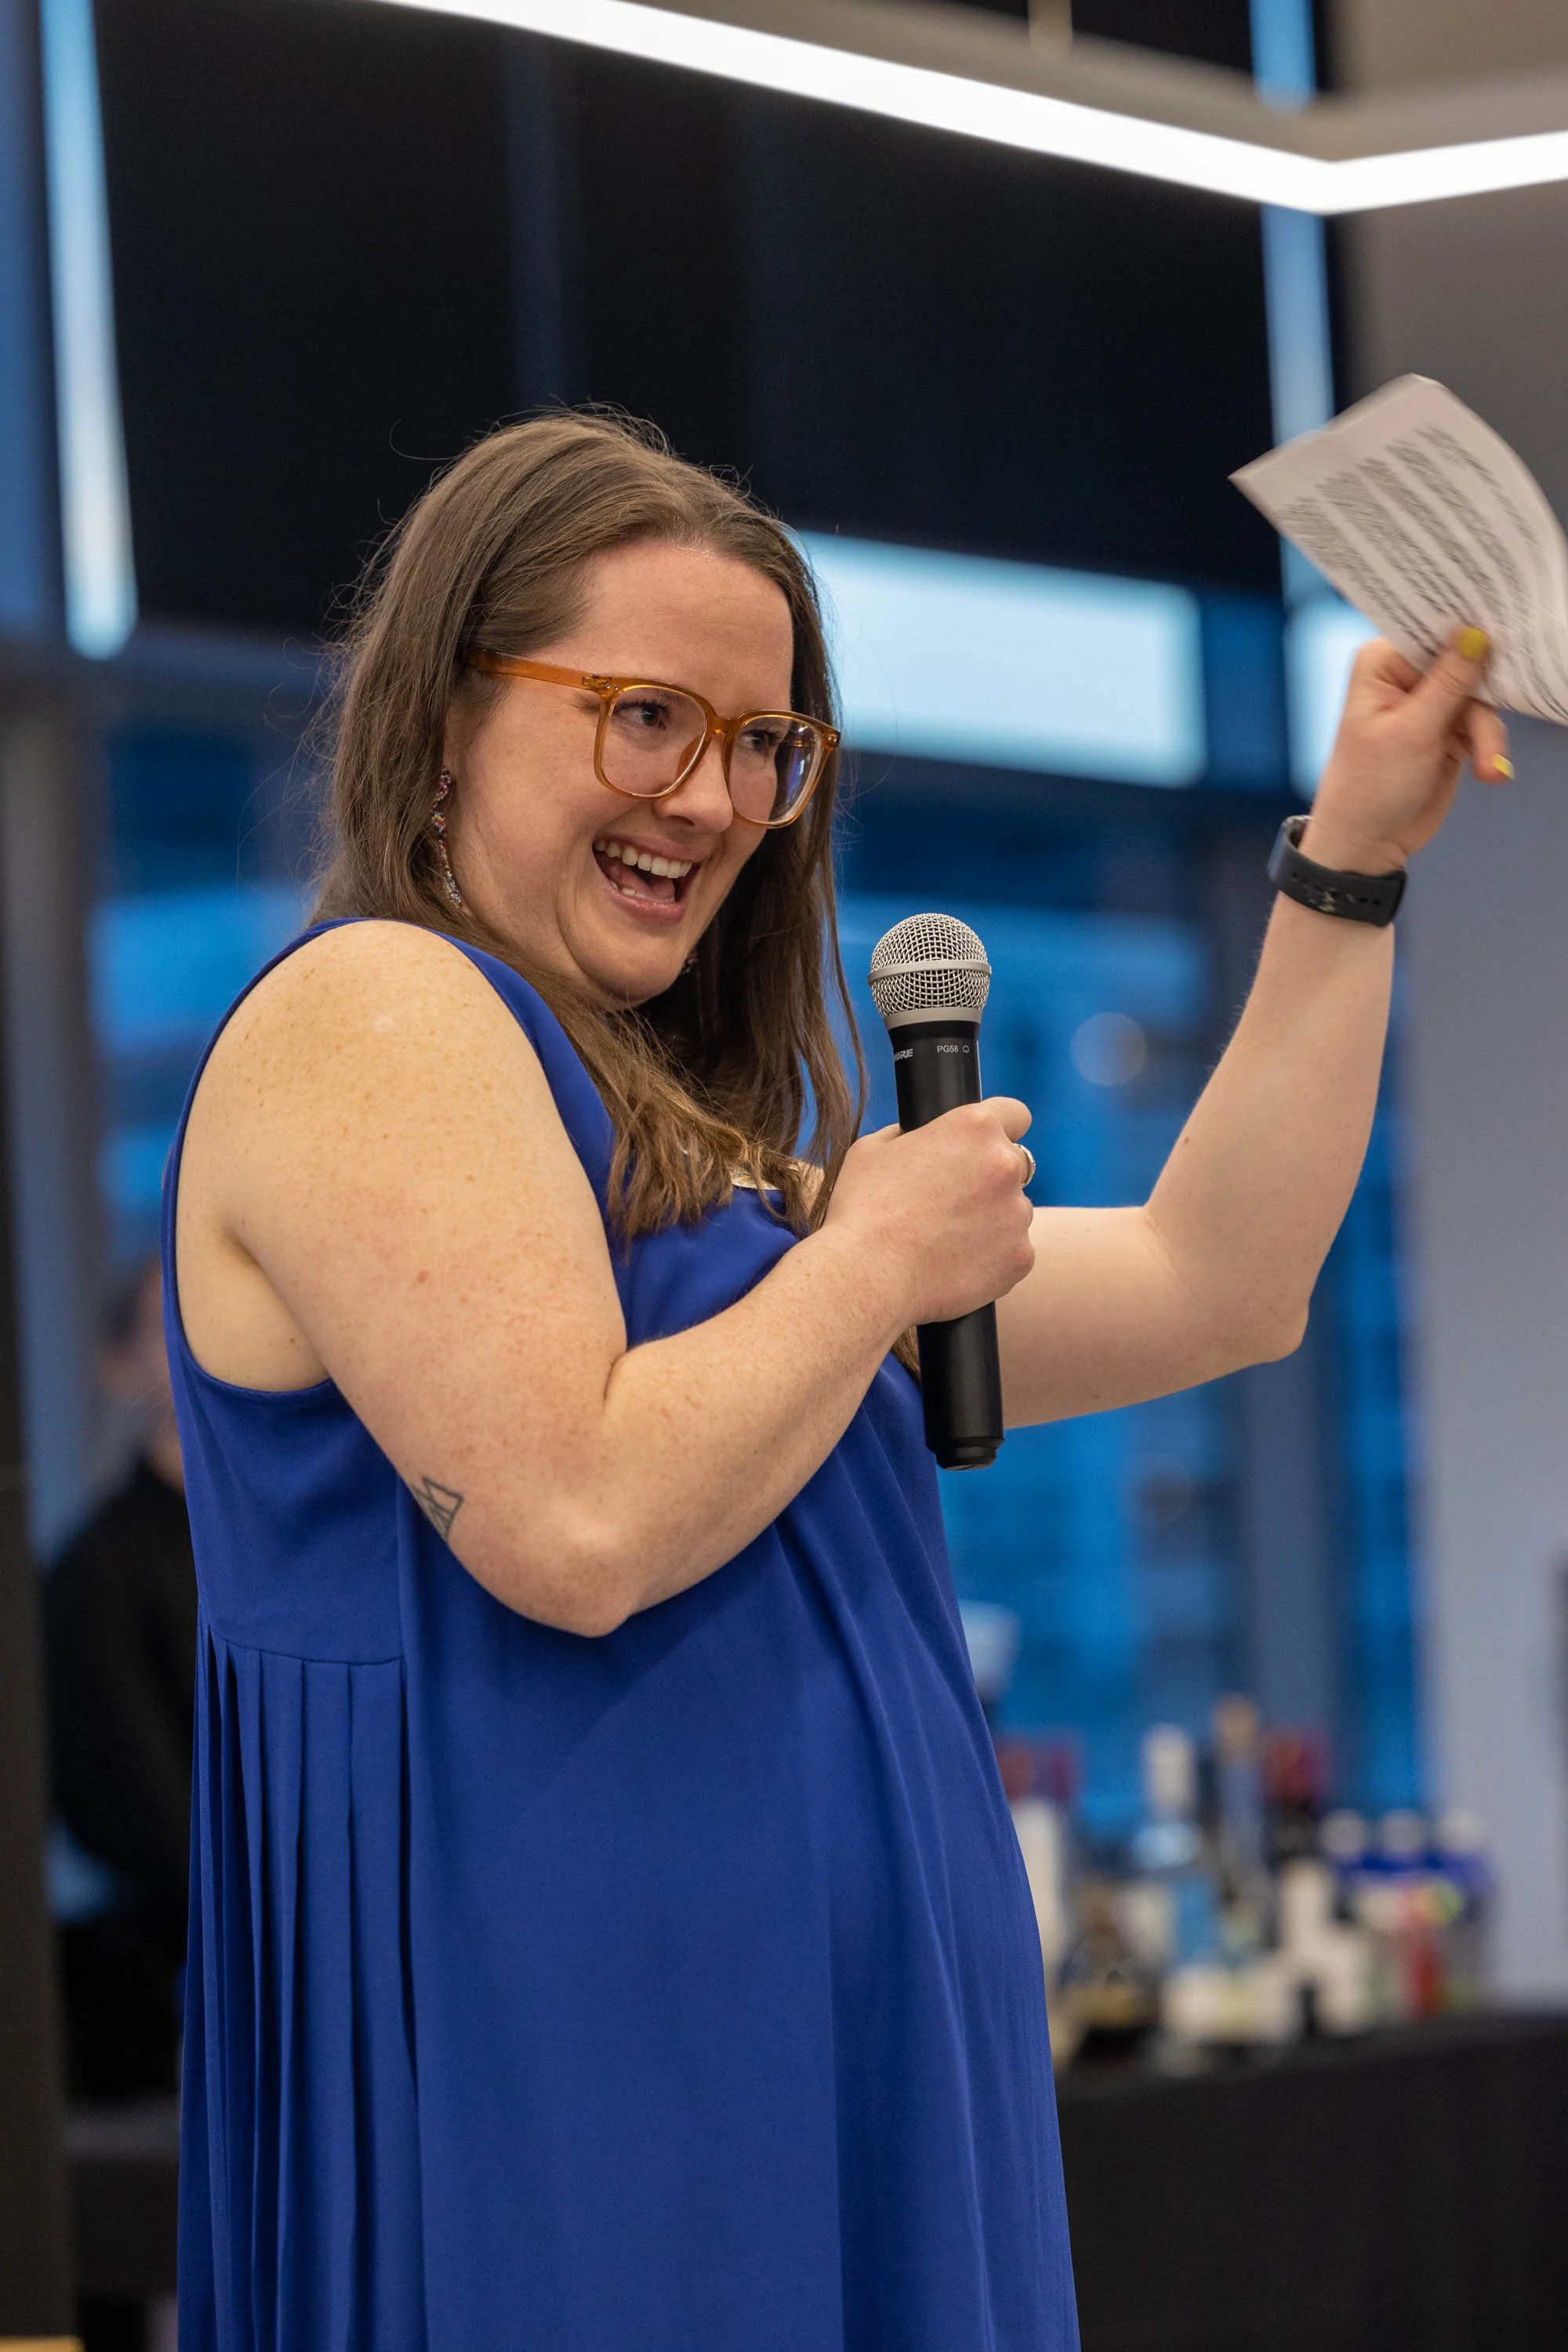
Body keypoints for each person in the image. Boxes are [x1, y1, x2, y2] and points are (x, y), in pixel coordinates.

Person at [166, 412, 1508, 2350]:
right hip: (573, 2117)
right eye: (644, 716)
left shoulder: (702, 1182)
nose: (710, 798)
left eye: (761, 747)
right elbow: (576, 1517)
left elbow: (1224, 1282)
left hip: (815, 2091)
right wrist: (872, 1256)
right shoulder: (376, 1010)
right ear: (451, 708)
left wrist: (1349, 863)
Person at [47, 1258, 195, 2101]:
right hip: (166, 1998)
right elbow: (148, 1821)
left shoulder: (302, 1553)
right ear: (119, 1365)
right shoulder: (97, 1571)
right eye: (169, 1327)